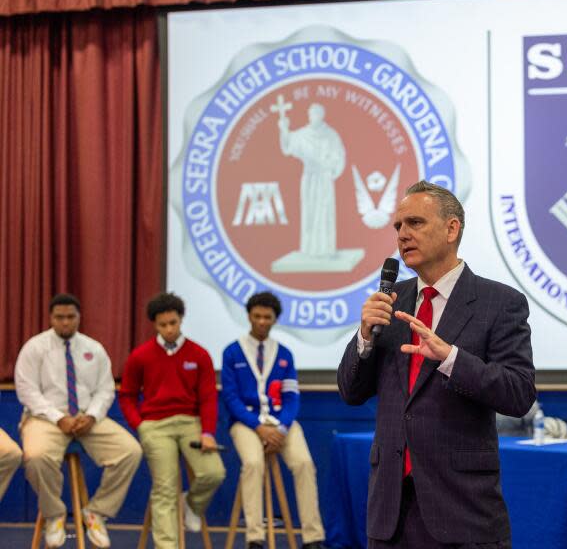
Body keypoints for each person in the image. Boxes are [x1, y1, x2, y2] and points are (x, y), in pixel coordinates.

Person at [337, 181, 537, 548]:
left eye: (415, 222)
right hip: (391, 510)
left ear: (451, 228)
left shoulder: (499, 303)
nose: (403, 235)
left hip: (462, 510)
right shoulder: (391, 302)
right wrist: (365, 336)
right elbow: (351, 392)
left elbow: (519, 393)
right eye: (398, 227)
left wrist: (451, 359)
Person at [14, 293, 142, 548]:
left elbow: (106, 389)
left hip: (87, 419)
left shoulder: (93, 349)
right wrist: (58, 417)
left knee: (130, 451)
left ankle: (97, 512)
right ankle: (55, 515)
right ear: (51, 318)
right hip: (45, 418)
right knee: (36, 457)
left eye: (70, 317)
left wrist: (92, 416)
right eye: (59, 317)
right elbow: (27, 390)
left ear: (79, 318)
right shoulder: (35, 347)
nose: (65, 323)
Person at [119, 292, 226, 549]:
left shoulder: (199, 354)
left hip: (191, 423)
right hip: (155, 427)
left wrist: (208, 432)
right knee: (164, 488)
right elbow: (127, 395)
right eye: (163, 324)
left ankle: (191, 505)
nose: (169, 329)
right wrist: (140, 425)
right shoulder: (141, 356)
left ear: (181, 320)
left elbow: (209, 398)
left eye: (173, 323)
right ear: (155, 325)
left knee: (214, 473)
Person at [221, 291, 327, 549]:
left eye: (267, 317)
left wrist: (280, 428)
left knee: (304, 463)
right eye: (256, 316)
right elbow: (231, 399)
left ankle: (313, 538)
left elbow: (291, 398)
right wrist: (258, 427)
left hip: (281, 423)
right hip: (247, 423)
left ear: (274, 319)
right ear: (249, 316)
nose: (261, 321)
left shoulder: (284, 354)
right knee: (253, 464)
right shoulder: (232, 352)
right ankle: (255, 537)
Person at [278, 102, 346, 257]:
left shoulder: (331, 135)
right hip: (309, 177)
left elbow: (339, 155)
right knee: (309, 210)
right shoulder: (303, 134)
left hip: (324, 178)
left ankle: (325, 249)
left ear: (321, 115)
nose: (312, 117)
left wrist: (331, 167)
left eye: (315, 114)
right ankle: (310, 249)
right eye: (310, 114)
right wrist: (283, 129)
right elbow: (288, 145)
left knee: (324, 210)